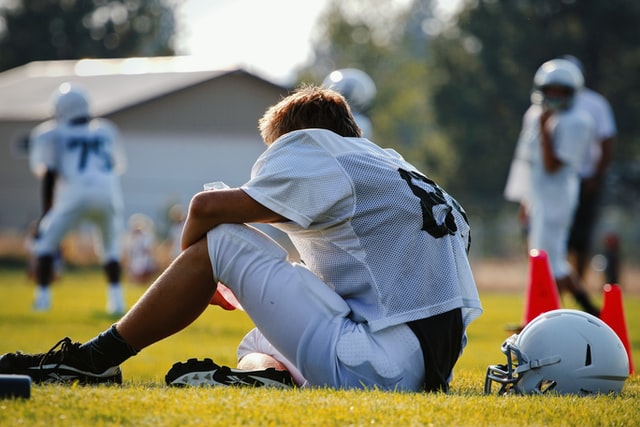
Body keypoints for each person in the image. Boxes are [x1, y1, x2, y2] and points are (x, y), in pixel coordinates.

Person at [0, 85, 482, 393]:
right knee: (258, 340)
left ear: (298, 138)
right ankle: (264, 380)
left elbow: (206, 210)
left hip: (378, 364)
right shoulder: (394, 166)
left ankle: (92, 361)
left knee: (224, 238)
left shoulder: (318, 147)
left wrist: (201, 265)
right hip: (420, 365)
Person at [504, 59, 599, 316]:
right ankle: (588, 310)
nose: (555, 96)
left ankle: (550, 314)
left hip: (558, 197)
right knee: (549, 260)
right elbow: (529, 163)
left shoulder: (578, 121)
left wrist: (546, 129)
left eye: (562, 91)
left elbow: (552, 165)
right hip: (540, 197)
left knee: (546, 261)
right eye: (551, 90)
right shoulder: (534, 114)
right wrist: (527, 200)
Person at [27, 82, 127, 314]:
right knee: (111, 248)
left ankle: (42, 300)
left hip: (75, 193)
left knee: (45, 243)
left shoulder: (52, 134)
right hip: (107, 192)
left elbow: (49, 174)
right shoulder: (104, 130)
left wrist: (46, 212)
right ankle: (117, 301)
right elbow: (115, 165)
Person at [561, 55, 617, 282]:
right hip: (557, 181)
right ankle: (560, 285)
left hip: (585, 179)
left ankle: (578, 284)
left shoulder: (595, 104)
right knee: (557, 238)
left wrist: (596, 176)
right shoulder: (549, 104)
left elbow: (607, 142)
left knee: (580, 238)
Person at [124, 213, 159, 285]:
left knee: (143, 272)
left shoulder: (146, 236)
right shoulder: (131, 237)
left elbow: (147, 249)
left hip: (143, 258)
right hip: (136, 259)